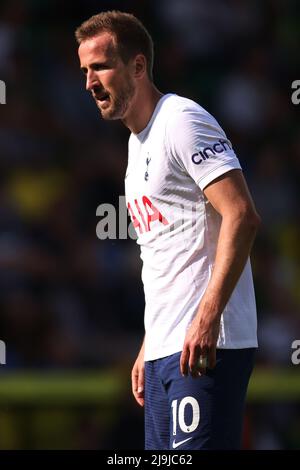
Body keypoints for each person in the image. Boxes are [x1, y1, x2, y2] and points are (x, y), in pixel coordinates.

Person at [75, 10, 261, 450]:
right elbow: (166, 254)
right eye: (84, 70)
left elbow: (242, 215)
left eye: (100, 66)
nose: (89, 82)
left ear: (138, 66)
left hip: (206, 347)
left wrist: (207, 317)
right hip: (166, 348)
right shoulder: (135, 145)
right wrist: (150, 341)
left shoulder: (181, 119)